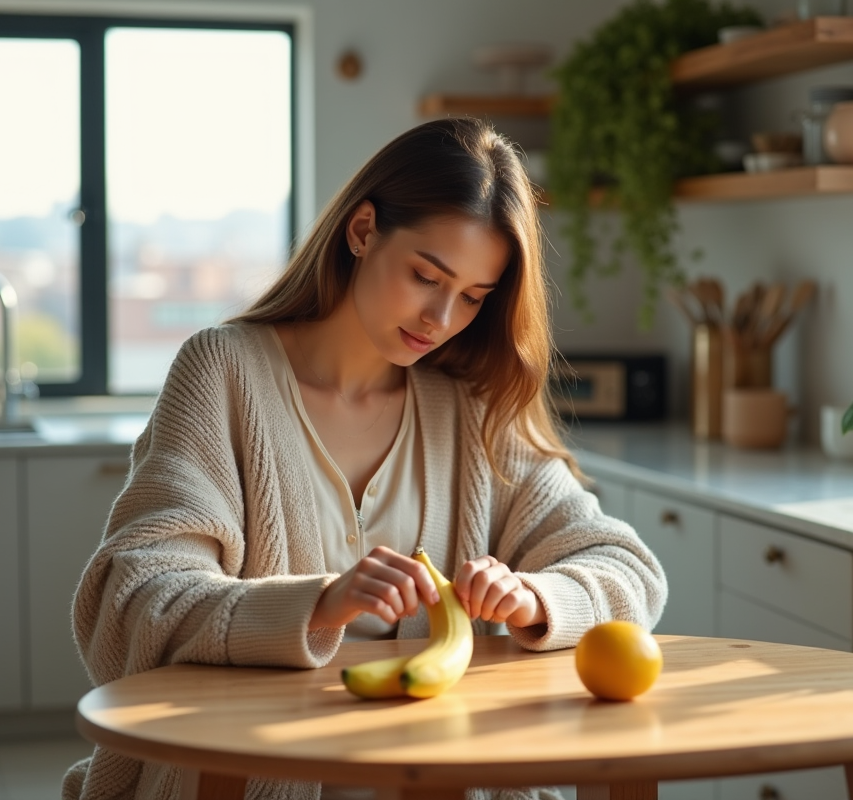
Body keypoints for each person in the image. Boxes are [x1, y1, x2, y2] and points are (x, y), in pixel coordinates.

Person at [64, 117, 666, 800]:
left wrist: (536, 598)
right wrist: (319, 603)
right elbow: (131, 604)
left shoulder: (472, 407)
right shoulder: (223, 373)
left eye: (473, 297)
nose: (442, 318)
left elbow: (630, 572)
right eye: (425, 276)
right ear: (362, 230)